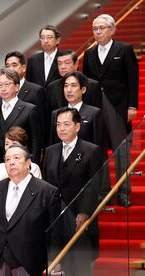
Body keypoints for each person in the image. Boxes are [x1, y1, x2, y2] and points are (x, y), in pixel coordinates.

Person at [83, 14, 139, 207]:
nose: (98, 32)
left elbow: (133, 79)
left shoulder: (123, 49)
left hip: (118, 106)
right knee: (98, 151)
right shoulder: (89, 54)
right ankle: (104, 191)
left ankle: (123, 192)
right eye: (95, 28)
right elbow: (88, 83)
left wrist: (132, 106)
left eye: (102, 28)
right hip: (96, 108)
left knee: (121, 151)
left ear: (112, 30)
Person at [43, 107, 102, 276]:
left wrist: (84, 212)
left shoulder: (91, 151)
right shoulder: (50, 151)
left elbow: (94, 185)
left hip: (78, 218)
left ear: (77, 126)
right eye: (58, 124)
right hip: (56, 219)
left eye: (66, 124)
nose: (61, 128)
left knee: (80, 266)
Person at [0, 144, 61, 276]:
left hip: (29, 261)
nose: (11, 162)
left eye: (16, 158)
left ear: (28, 163)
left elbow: (54, 232)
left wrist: (54, 260)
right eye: (7, 160)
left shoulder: (47, 191)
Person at [0, 68, 40, 170]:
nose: (3, 88)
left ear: (17, 87)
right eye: (0, 85)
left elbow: (35, 144)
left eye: (7, 84)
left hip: (21, 166)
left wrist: (32, 166)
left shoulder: (29, 110)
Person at [49, 71, 104, 148]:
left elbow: (99, 145)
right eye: (66, 86)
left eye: (73, 85)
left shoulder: (94, 113)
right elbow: (53, 144)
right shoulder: (56, 113)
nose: (69, 90)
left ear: (83, 89)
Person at [45, 50, 102, 121]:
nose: (63, 67)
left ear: (76, 64)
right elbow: (48, 116)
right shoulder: (51, 87)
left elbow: (98, 116)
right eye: (59, 64)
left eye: (67, 63)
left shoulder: (92, 85)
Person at [4, 51, 46, 131]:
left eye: (14, 65)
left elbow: (41, 123)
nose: (10, 69)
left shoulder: (36, 91)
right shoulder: (0, 92)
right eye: (7, 66)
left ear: (23, 68)